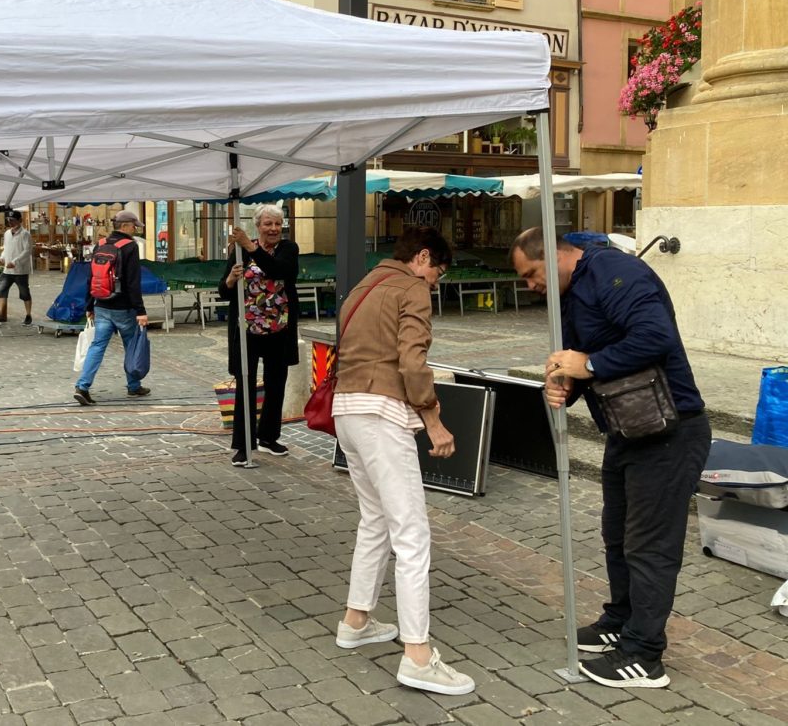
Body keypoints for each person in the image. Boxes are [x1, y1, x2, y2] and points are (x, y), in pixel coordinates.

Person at [510, 227, 710, 689]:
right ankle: (620, 621)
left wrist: (589, 366)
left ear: (560, 255)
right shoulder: (573, 291)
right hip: (630, 429)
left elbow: (654, 336)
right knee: (617, 535)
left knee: (649, 546)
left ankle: (644, 654)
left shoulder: (614, 271)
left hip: (671, 430)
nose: (530, 286)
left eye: (532, 274)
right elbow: (590, 355)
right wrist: (567, 381)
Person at [331, 226, 475, 696]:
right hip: (381, 411)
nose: (435, 281)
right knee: (411, 534)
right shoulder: (411, 287)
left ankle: (356, 620)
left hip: (346, 409)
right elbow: (413, 363)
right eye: (438, 272)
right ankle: (417, 654)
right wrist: (433, 419)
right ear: (424, 257)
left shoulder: (362, 286)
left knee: (374, 521)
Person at [218, 204, 300, 466]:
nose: (274, 229)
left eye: (277, 224)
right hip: (247, 330)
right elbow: (224, 291)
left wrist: (253, 249)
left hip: (279, 328)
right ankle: (243, 445)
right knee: (246, 383)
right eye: (268, 224)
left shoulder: (288, 249)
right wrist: (231, 279)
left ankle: (268, 437)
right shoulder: (239, 251)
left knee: (276, 384)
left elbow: (280, 271)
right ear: (258, 226)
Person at [74, 210, 149, 404]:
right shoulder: (130, 246)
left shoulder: (100, 244)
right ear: (125, 226)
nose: (135, 230)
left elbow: (91, 278)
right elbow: (133, 282)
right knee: (131, 346)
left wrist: (89, 305)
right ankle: (133, 386)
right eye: (134, 226)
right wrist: (140, 310)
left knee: (97, 346)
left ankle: (82, 386)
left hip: (101, 305)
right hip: (123, 308)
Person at [0, 210, 34, 325]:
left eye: (13, 220)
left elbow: (27, 251)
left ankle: (28, 314)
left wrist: (15, 262)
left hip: (20, 270)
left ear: (20, 221)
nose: (10, 222)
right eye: (9, 220)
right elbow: (6, 249)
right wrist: (2, 258)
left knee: (24, 292)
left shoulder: (25, 234)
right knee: (2, 290)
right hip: (7, 270)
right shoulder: (7, 234)